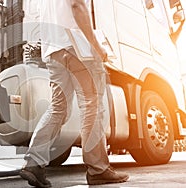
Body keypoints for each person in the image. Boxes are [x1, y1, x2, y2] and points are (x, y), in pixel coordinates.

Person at [19, 0, 129, 187]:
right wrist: (95, 45)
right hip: (77, 47)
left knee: (58, 108)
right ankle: (98, 169)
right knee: (91, 105)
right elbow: (77, 5)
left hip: (53, 50)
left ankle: (34, 163)